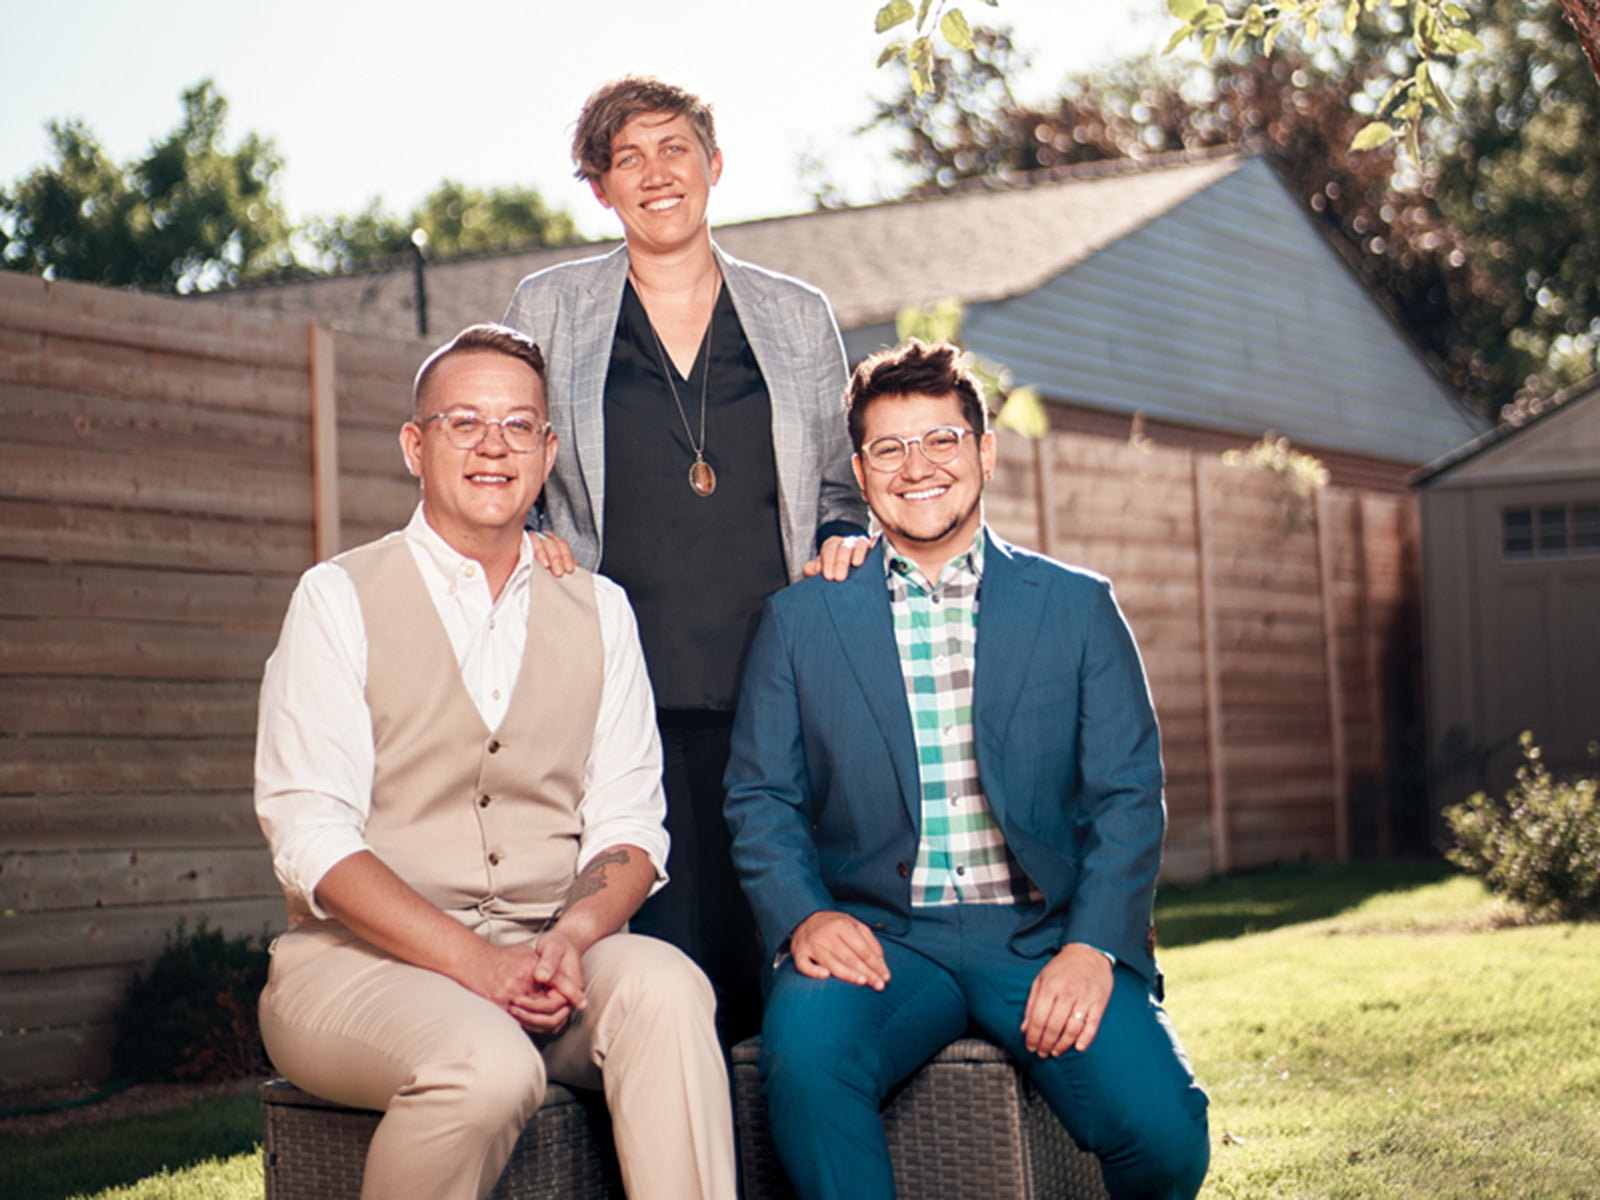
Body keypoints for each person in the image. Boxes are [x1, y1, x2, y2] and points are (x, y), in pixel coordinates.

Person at [254, 324, 736, 1200]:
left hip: (549, 952)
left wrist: (568, 940)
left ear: (548, 451)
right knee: (487, 1068)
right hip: (358, 972)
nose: (492, 446)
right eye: (463, 422)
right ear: (415, 443)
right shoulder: (337, 599)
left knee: (668, 989)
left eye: (519, 426)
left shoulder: (600, 609)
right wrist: (476, 966)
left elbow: (631, 827)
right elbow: (310, 837)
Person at [723, 340, 1211, 1200]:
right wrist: (802, 916)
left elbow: (1127, 798)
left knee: (1165, 1133)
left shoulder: (1078, 607)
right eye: (890, 448)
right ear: (861, 473)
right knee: (803, 1067)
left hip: (1043, 934)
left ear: (985, 452)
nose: (918, 468)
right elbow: (762, 797)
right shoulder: (800, 621)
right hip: (881, 937)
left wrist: (1095, 944)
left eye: (942, 440)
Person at [502, 75, 869, 1046]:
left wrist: (841, 540)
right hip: (621, 684)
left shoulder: (795, 315)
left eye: (674, 149)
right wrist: (525, 527)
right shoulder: (551, 307)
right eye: (628, 156)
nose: (656, 173)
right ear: (600, 188)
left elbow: (839, 490)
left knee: (773, 942)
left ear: (714, 165)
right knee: (658, 951)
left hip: (770, 677)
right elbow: (512, 450)